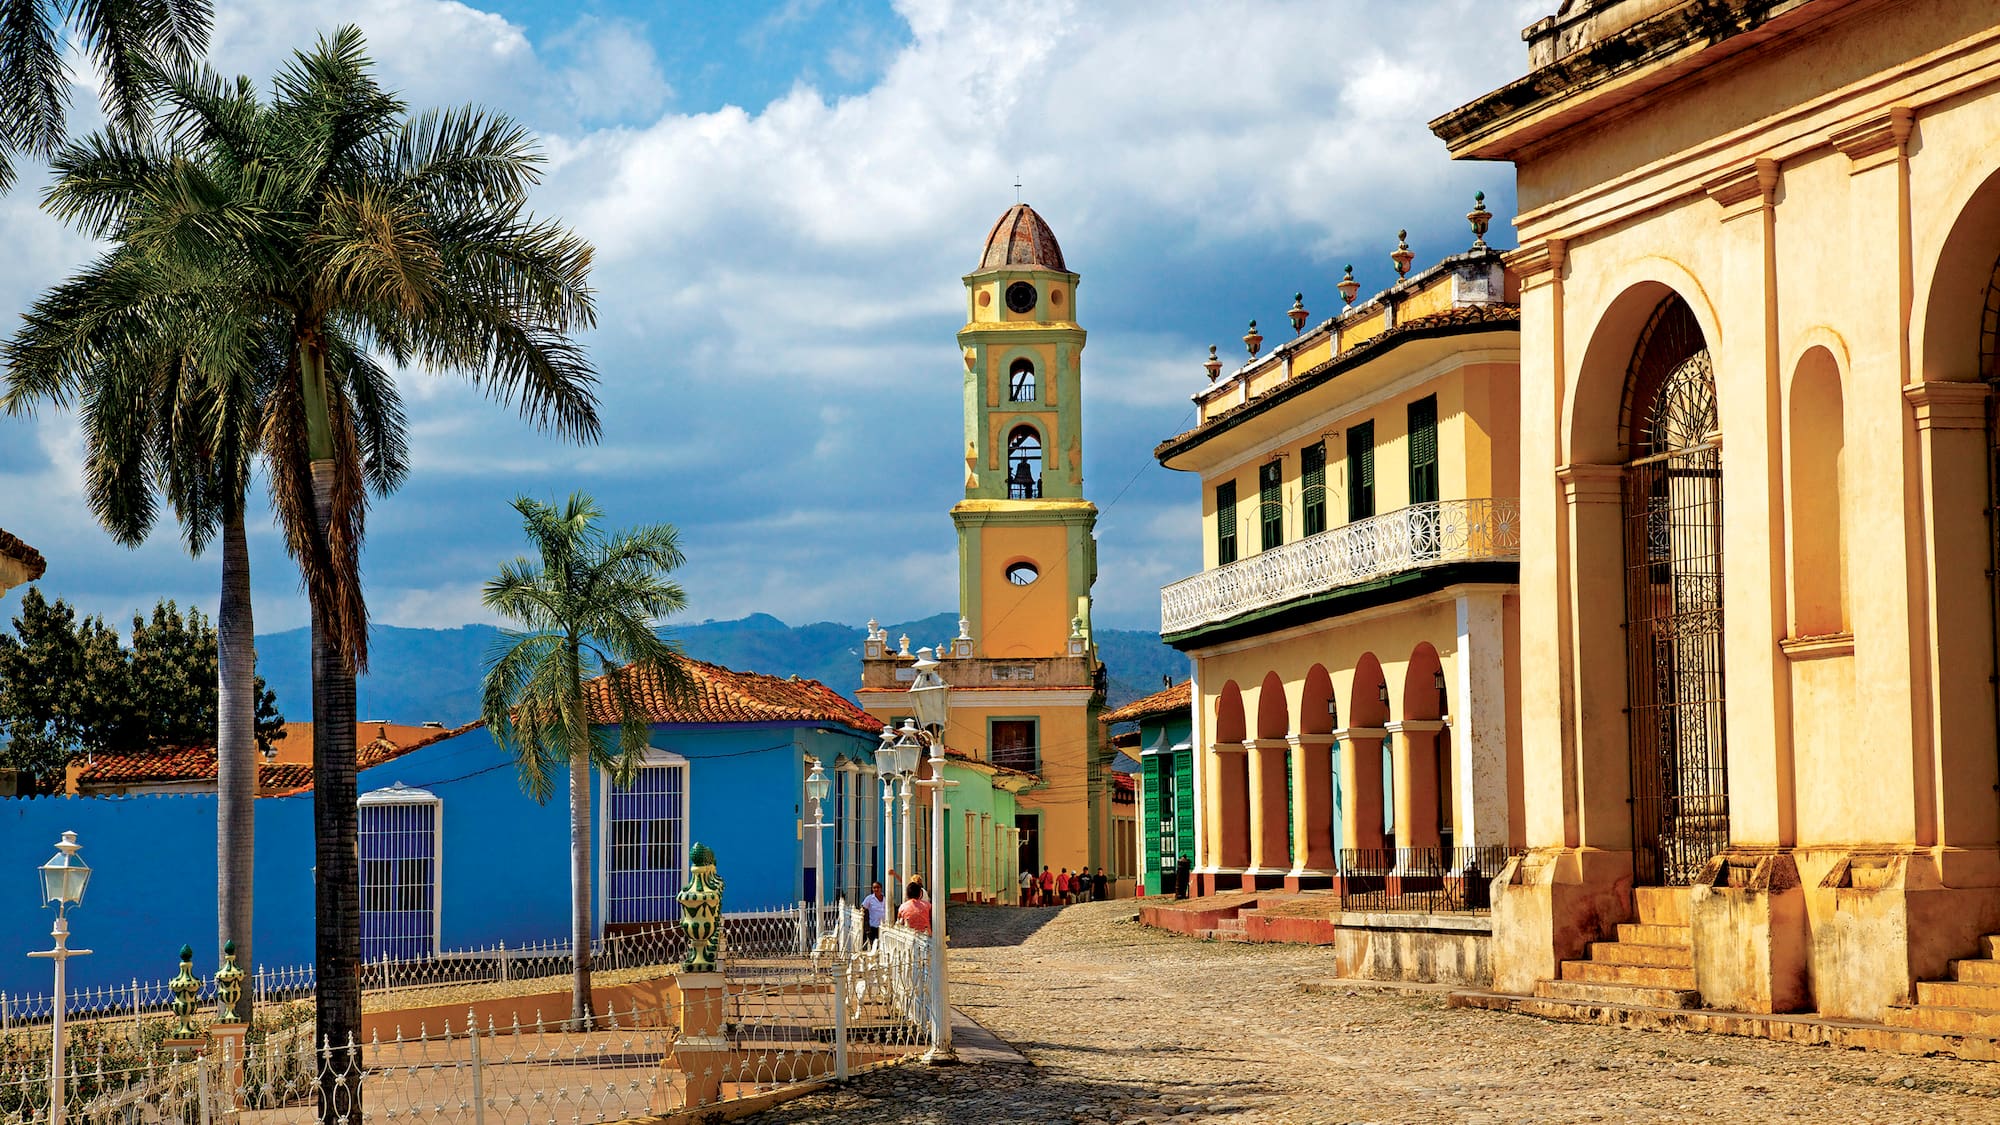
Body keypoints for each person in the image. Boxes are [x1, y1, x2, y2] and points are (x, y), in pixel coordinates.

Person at [860, 881, 887, 947]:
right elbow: (863, 908)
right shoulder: (869, 898)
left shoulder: (885, 899)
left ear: (881, 888)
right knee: (875, 945)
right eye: (874, 888)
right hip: (874, 926)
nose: (876, 889)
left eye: (878, 887)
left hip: (884, 925)